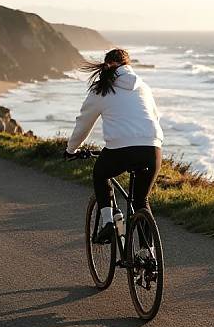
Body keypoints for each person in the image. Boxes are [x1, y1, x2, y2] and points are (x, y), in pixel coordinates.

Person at [64, 48, 163, 243]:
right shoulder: (143, 87)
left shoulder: (101, 89)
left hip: (121, 149)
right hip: (152, 148)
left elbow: (84, 123)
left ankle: (109, 222)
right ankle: (147, 254)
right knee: (141, 200)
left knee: (100, 173)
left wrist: (71, 149)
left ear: (106, 65)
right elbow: (155, 117)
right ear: (128, 66)